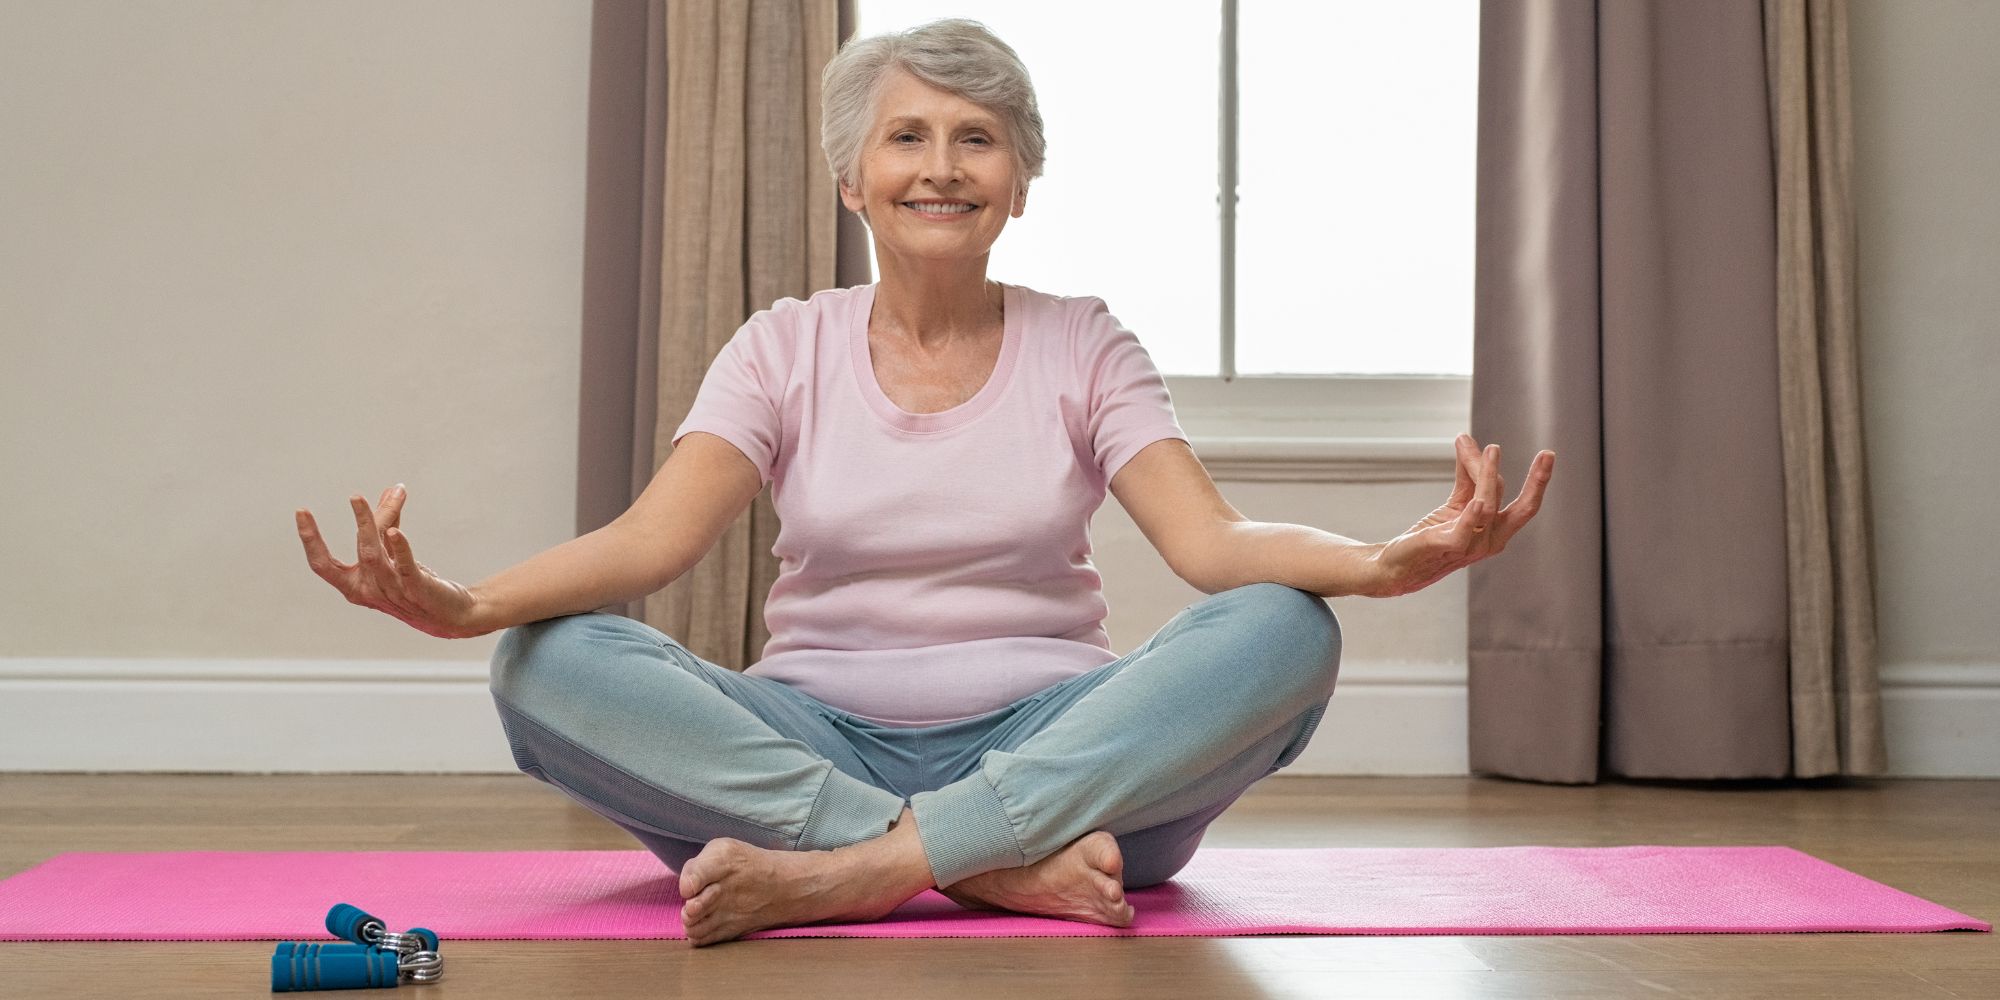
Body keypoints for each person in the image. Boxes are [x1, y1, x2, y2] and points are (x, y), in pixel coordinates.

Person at [295, 18, 1554, 948]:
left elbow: (1211, 543)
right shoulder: (783, 343)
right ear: (853, 180)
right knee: (545, 662)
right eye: (906, 136)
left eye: (976, 139)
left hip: (1062, 754)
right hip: (807, 749)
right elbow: (646, 543)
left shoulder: (1084, 339)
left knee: (1280, 626)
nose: (940, 165)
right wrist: (467, 607)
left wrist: (1382, 562)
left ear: (1016, 181)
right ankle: (976, 865)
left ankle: (854, 872)